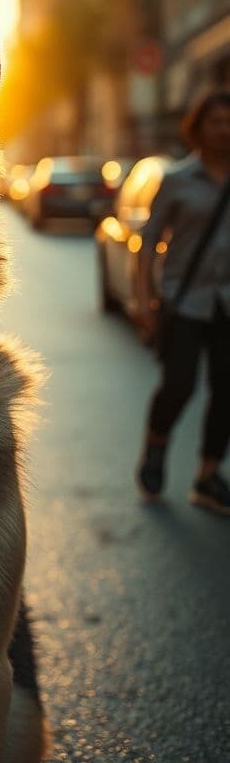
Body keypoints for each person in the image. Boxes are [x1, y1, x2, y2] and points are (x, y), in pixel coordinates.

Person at [135, 89, 230, 514]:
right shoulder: (177, 180)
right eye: (216, 122)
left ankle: (208, 476)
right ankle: (156, 448)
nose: (224, 130)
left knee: (226, 393)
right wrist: (145, 299)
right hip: (184, 300)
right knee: (179, 384)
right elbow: (149, 241)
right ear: (199, 128)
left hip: (228, 302)